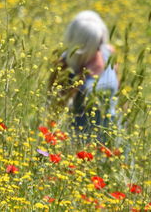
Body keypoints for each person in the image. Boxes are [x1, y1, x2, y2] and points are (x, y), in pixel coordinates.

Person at [48, 10, 119, 144]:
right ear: (82, 44)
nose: (100, 47)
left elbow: (118, 88)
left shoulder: (109, 53)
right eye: (96, 44)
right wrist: (79, 80)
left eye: (101, 41)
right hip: (83, 141)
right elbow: (54, 107)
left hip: (113, 133)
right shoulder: (64, 66)